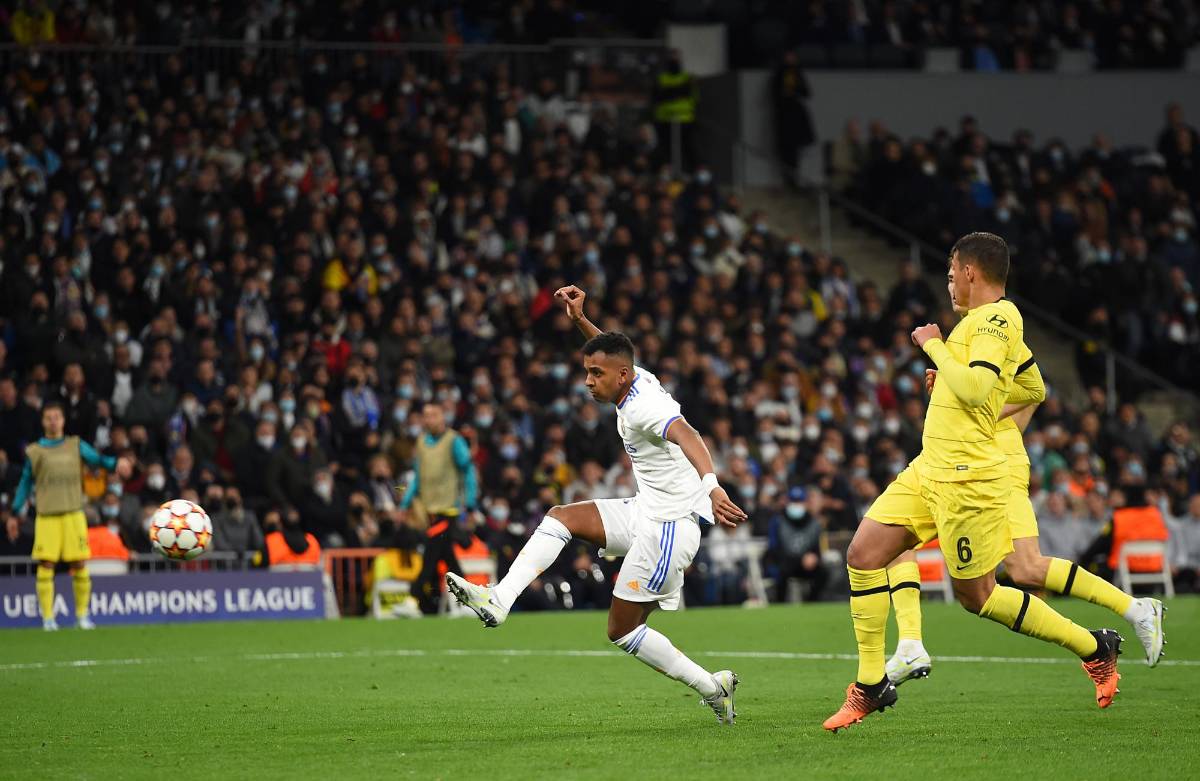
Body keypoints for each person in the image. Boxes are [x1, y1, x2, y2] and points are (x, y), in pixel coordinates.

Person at [823, 233, 1122, 732]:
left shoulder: (995, 319)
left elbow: (980, 385)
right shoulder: (983, 326)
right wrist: (966, 391)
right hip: (929, 467)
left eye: (949, 274)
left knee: (978, 596)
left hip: (967, 480)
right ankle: (870, 684)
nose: (948, 283)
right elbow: (1031, 387)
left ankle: (1095, 646)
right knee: (862, 555)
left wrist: (933, 346)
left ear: (969, 272)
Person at [448, 285, 748, 725]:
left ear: (622, 376)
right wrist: (580, 321)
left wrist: (713, 486)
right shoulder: (632, 377)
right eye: (587, 371)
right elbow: (612, 351)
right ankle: (499, 600)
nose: (588, 380)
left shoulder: (645, 407)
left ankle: (711, 686)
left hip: (669, 526)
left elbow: (689, 435)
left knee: (621, 630)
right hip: (646, 511)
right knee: (561, 517)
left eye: (595, 374)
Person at [881, 279, 1164, 688]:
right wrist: (947, 383)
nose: (950, 285)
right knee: (896, 541)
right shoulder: (975, 333)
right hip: (957, 465)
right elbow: (1009, 391)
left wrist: (958, 380)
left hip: (992, 465)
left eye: (953, 275)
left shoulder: (997, 328)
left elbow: (1029, 393)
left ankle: (1128, 616)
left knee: (1023, 568)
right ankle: (909, 643)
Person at [9, 399, 132, 630]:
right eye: (49, 417)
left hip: (73, 513)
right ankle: (48, 618)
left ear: (63, 420)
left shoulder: (75, 445)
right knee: (46, 565)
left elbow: (97, 460)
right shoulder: (34, 451)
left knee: (80, 563)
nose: (53, 421)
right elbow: (25, 483)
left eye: (57, 416)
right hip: (47, 516)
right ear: (43, 421)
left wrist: (116, 463)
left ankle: (82, 616)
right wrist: (14, 514)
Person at [398, 403, 477, 528]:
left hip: (450, 509)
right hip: (427, 511)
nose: (429, 420)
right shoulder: (421, 442)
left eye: (434, 415)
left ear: (443, 417)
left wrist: (471, 505)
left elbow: (468, 472)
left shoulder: (454, 440)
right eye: (426, 416)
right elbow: (417, 477)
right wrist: (404, 505)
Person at [771, 50, 815, 187]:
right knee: (786, 152)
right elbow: (775, 94)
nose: (791, 60)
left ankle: (794, 179)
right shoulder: (779, 74)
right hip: (784, 118)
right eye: (788, 57)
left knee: (795, 152)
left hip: (796, 118)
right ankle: (788, 179)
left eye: (793, 57)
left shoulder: (798, 74)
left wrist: (795, 90)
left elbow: (807, 92)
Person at [651, 50, 698, 171]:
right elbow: (658, 96)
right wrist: (680, 90)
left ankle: (691, 173)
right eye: (671, 58)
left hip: (685, 119)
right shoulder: (661, 77)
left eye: (676, 58)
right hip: (664, 119)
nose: (674, 60)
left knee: (688, 148)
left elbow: (693, 96)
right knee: (666, 149)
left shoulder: (687, 77)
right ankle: (668, 173)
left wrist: (670, 92)